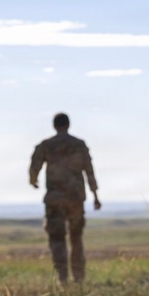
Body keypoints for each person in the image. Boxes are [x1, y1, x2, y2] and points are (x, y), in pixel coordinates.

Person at [29, 112, 101, 283]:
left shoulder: (47, 145)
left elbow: (34, 164)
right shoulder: (79, 145)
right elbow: (89, 171)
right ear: (68, 125)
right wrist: (95, 195)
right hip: (75, 198)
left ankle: (62, 279)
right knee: (76, 238)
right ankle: (79, 278)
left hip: (55, 199)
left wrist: (33, 180)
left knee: (57, 239)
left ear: (54, 126)